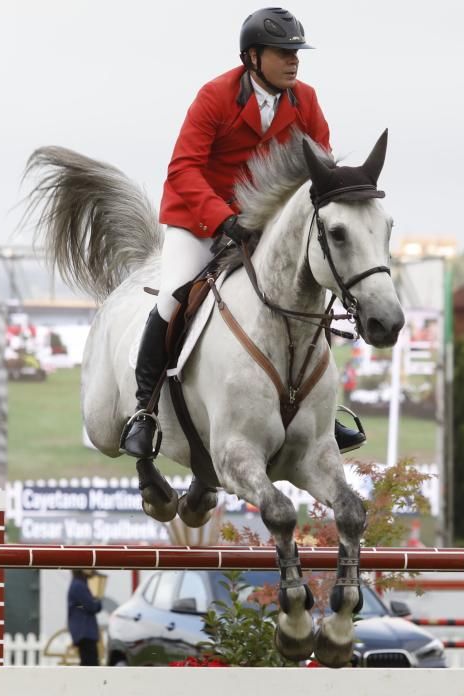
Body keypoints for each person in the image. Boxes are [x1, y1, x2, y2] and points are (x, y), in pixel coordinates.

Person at [121, 7, 366, 459]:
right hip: (200, 218)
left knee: (307, 295)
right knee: (174, 295)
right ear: (252, 57)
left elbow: (321, 167)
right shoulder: (215, 96)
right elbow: (183, 169)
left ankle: (321, 410)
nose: (294, 61)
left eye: (297, 53)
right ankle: (145, 410)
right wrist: (222, 219)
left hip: (265, 225)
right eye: (283, 52)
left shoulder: (305, 100)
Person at [67, 569, 103, 666]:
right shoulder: (79, 585)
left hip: (83, 632)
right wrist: (98, 600)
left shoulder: (79, 584)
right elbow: (91, 606)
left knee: (87, 663)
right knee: (91, 664)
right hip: (85, 632)